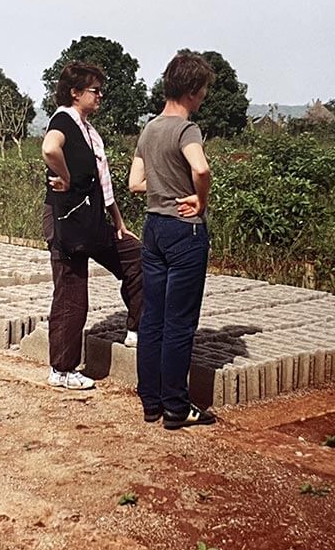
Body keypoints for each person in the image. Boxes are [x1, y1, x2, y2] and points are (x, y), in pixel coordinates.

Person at [41, 61, 143, 390]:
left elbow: (104, 183)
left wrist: (119, 223)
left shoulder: (88, 129)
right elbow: (49, 148)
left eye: (101, 90)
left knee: (137, 257)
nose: (100, 96)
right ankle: (62, 370)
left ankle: (137, 328)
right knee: (72, 294)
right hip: (66, 222)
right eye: (94, 90)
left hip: (94, 220)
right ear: (75, 93)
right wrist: (67, 178)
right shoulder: (63, 120)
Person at [128, 52, 216, 429]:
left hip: (154, 230)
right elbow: (201, 167)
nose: (204, 98)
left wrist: (161, 190)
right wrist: (200, 199)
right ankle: (177, 408)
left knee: (153, 319)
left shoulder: (149, 129)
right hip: (184, 231)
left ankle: (151, 402)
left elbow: (135, 182)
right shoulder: (186, 130)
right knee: (180, 323)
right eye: (204, 91)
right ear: (193, 91)